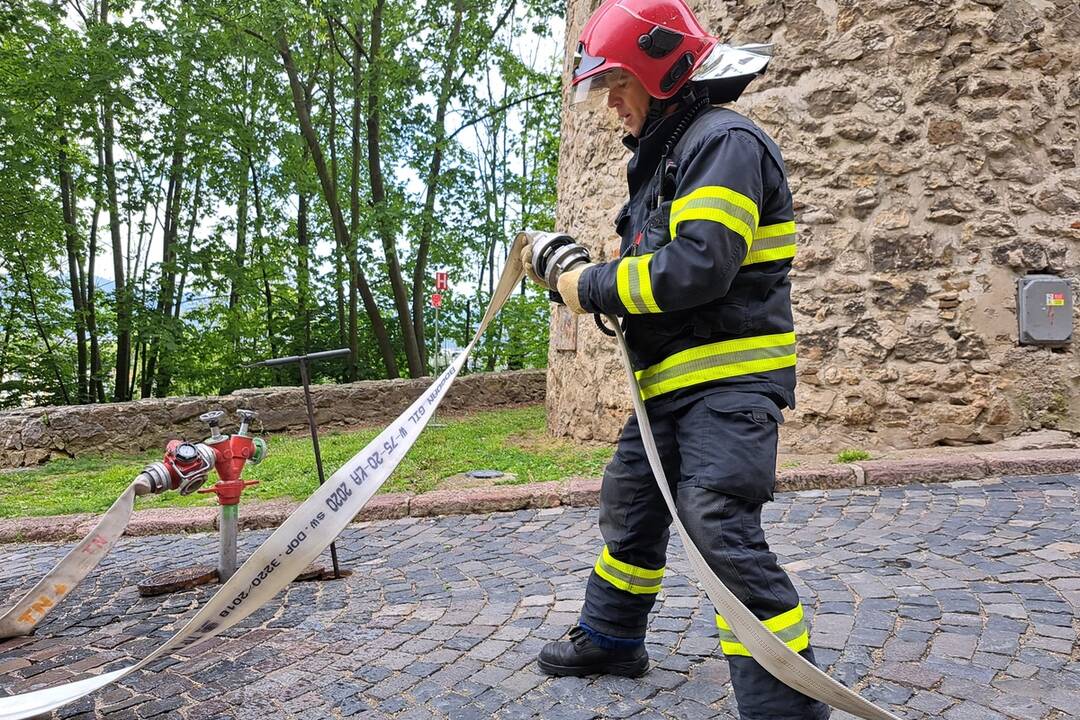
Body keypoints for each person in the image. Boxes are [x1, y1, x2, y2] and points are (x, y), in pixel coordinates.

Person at [519, 1, 831, 718]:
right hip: (671, 389)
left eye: (619, 84)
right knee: (631, 509)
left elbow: (696, 268)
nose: (612, 106)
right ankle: (612, 634)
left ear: (661, 73)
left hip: (727, 387)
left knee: (717, 522)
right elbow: (651, 270)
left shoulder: (724, 142)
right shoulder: (669, 156)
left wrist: (586, 283)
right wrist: (576, 268)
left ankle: (785, 704)